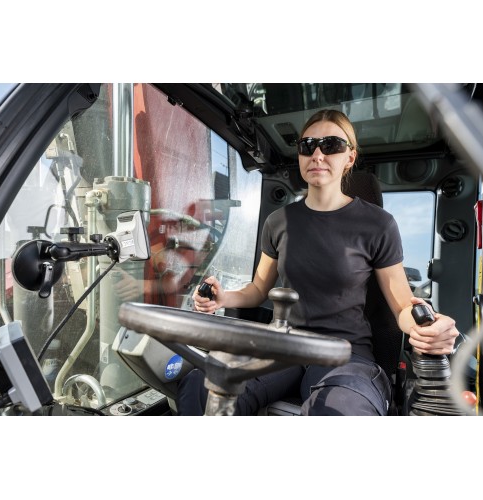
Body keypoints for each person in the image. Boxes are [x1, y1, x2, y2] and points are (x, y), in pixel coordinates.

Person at [176, 109, 459, 416]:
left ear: (350, 157)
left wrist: (427, 328)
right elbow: (258, 290)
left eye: (331, 145)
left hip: (345, 354)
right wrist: (223, 298)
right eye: (307, 146)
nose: (318, 155)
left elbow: (403, 307)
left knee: (337, 411)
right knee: (202, 385)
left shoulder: (378, 224)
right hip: (282, 346)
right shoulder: (279, 222)